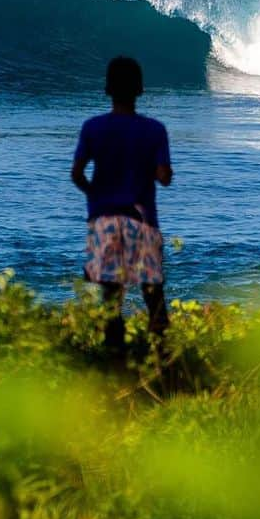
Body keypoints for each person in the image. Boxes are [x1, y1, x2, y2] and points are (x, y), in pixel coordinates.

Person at [71, 56, 173, 351]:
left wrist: (96, 197)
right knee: (154, 300)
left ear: (107, 89)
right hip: (141, 220)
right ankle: (161, 366)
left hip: (104, 221)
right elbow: (164, 177)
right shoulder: (155, 130)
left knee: (110, 302)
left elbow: (77, 175)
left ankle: (113, 366)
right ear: (140, 89)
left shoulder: (92, 128)